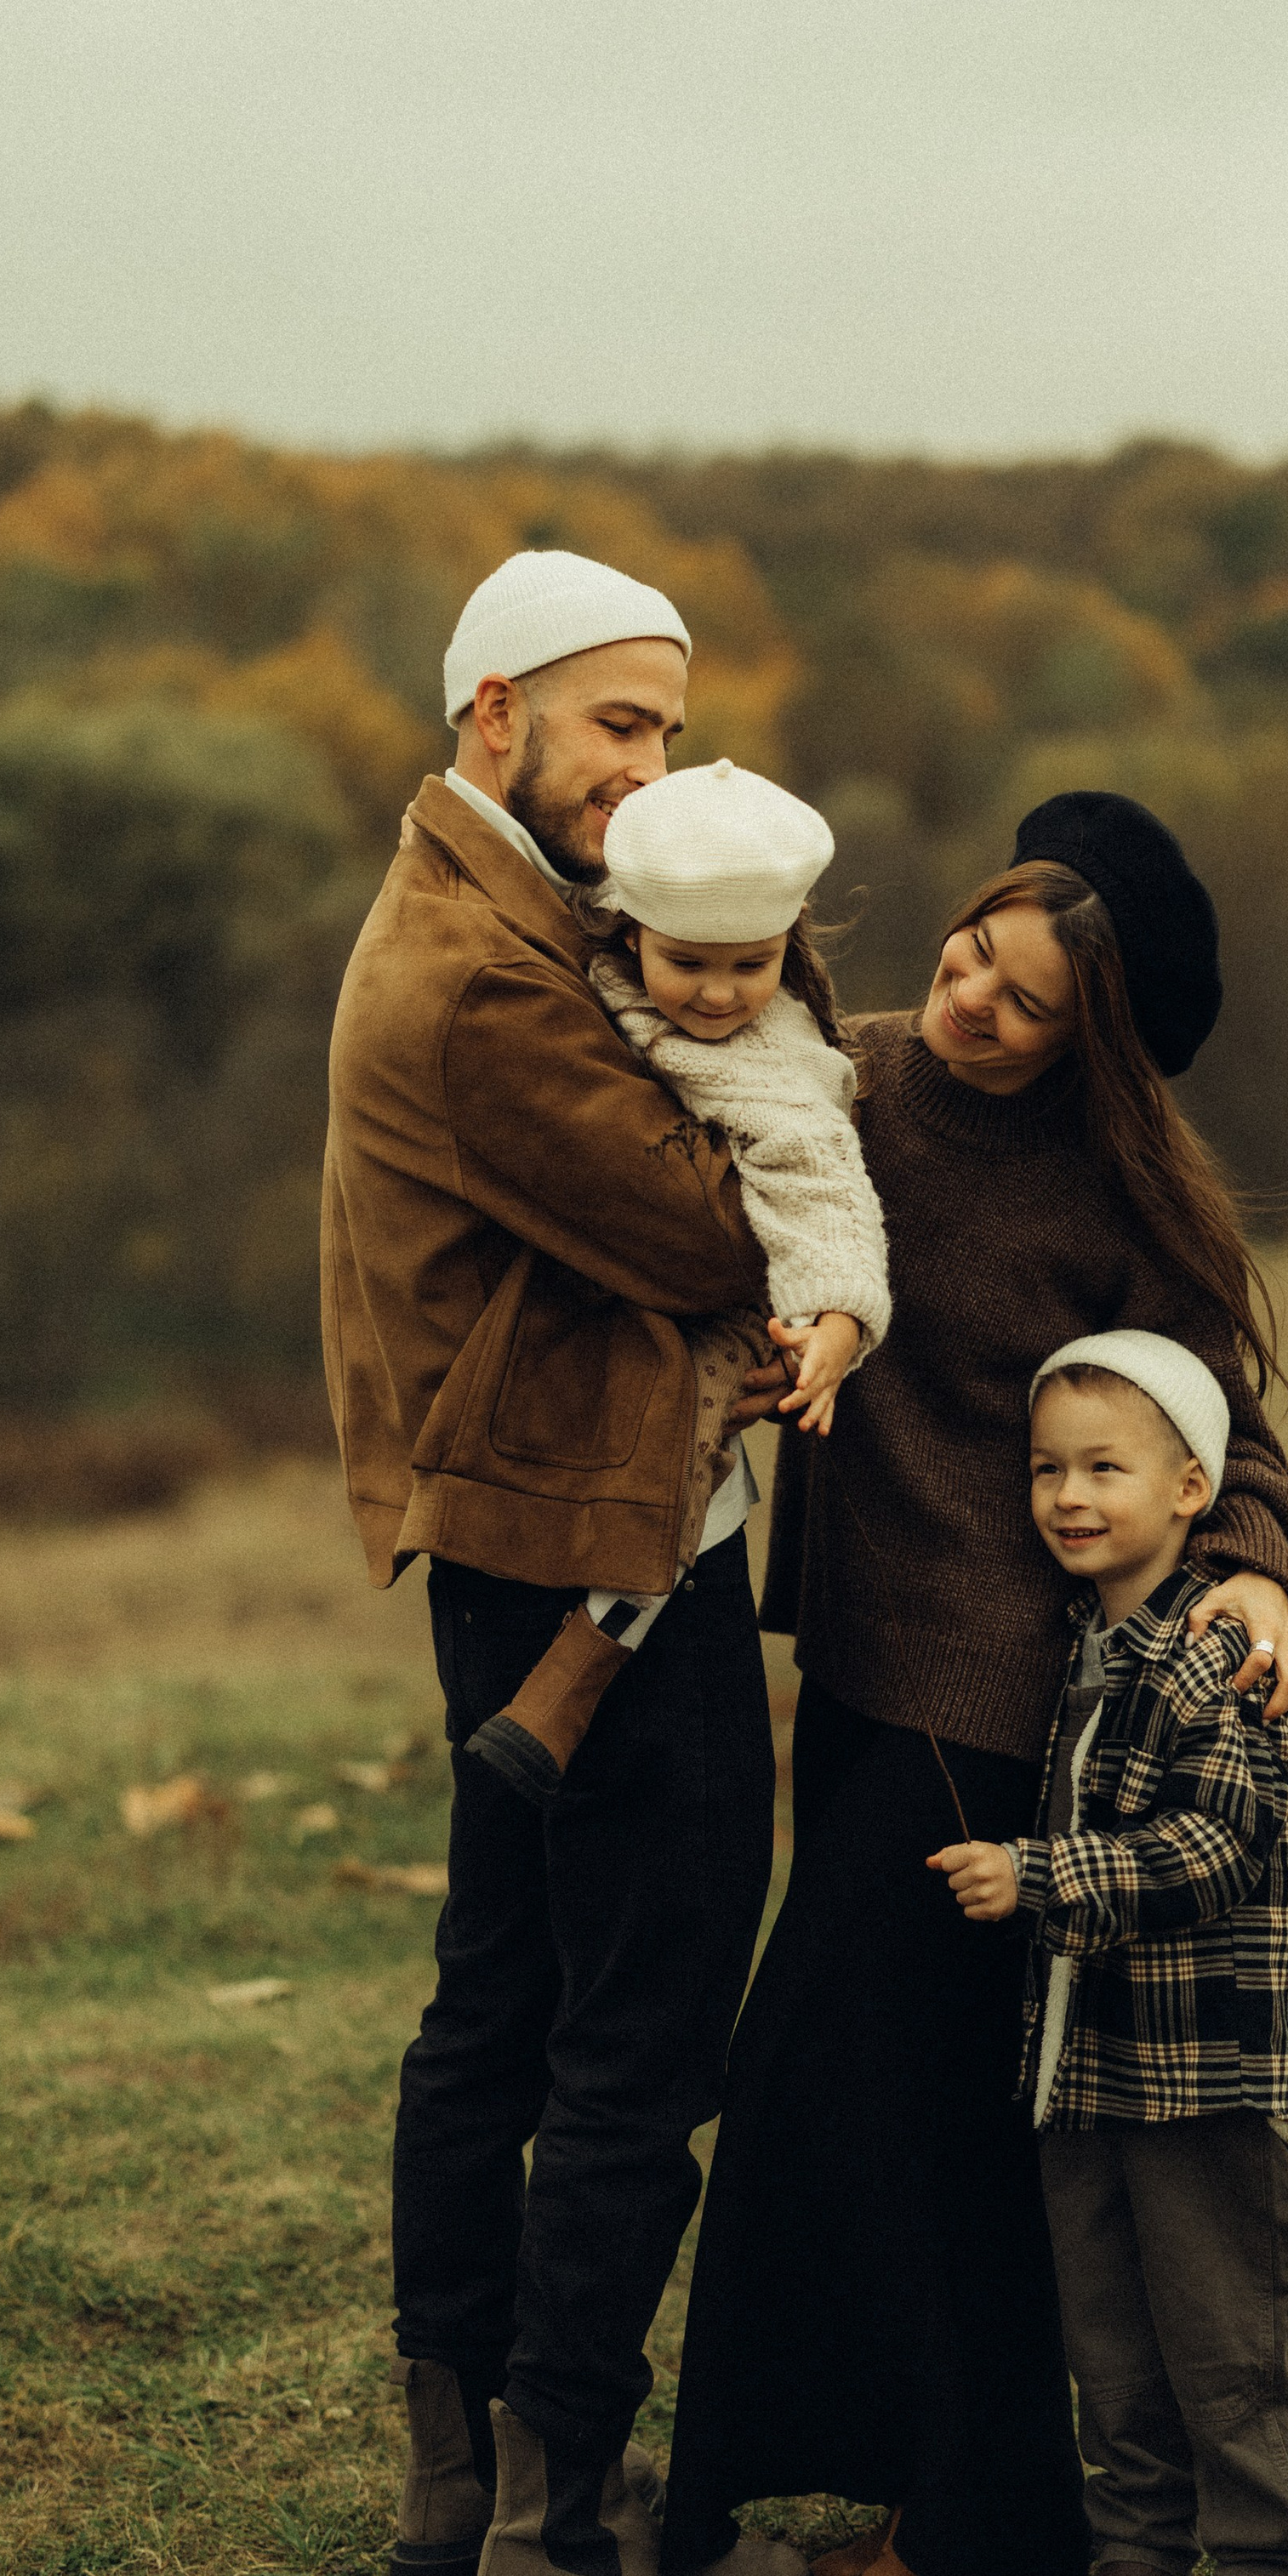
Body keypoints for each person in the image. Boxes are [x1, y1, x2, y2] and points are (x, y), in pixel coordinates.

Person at [659, 788, 1288, 2576]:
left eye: (1020, 1002)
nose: (966, 1005)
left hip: (999, 1690)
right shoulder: (841, 1075)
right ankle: (974, 2506)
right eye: (966, 955)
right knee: (907, 2096)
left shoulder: (1114, 1186)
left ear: (1079, 1038)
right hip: (857, 1664)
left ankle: (964, 2524)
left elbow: (1224, 1421)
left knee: (830, 2076)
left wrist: (1256, 1564)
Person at [321, 546, 812, 2576]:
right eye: (622, 725)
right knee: (642, 2010)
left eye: (672, 734)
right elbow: (707, 1224)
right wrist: (800, 1093)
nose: (651, 773)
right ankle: (564, 2517)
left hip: (516, 1528)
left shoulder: (514, 918)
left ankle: (459, 2478)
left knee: (501, 1994)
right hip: (594, 1550)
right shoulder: (484, 981)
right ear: (494, 712)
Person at [932, 1332, 1288, 2576]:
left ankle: (1283, 2570)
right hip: (1093, 2065)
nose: (1067, 1495)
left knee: (1239, 2318)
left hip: (1206, 2063)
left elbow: (1214, 1847)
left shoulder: (1218, 1652)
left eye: (1105, 1467)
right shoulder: (1087, 1647)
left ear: (1189, 1489)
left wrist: (1039, 1874)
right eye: (1049, 1468)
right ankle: (1141, 2549)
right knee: (1111, 2324)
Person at [466, 756, 890, 1804]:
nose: (716, 994)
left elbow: (824, 1190)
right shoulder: (581, 976)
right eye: (687, 962)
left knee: (682, 1432)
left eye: (749, 966)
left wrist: (834, 1321)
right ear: (631, 932)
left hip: (746, 1302)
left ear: (784, 951)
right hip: (608, 1284)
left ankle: (594, 1647)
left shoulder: (772, 1062)